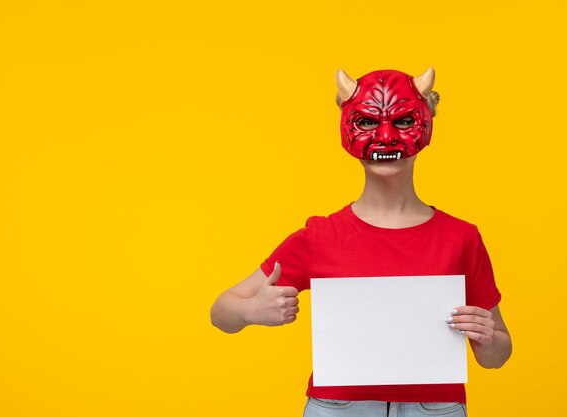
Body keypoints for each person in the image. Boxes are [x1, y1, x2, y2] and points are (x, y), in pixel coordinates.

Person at [210, 67, 512, 417]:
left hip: (436, 409)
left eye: (402, 122)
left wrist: (487, 338)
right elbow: (221, 312)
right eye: (368, 123)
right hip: (338, 408)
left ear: (427, 123)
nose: (385, 137)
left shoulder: (461, 237)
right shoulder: (319, 236)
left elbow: (497, 356)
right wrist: (250, 311)